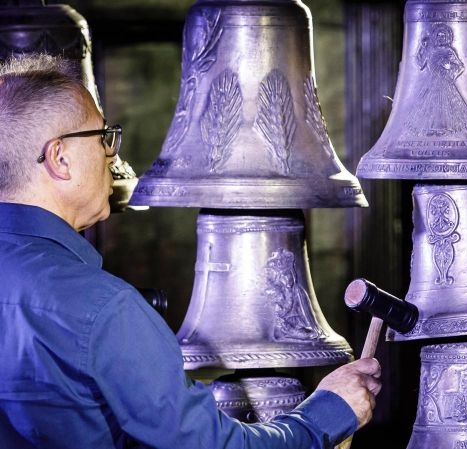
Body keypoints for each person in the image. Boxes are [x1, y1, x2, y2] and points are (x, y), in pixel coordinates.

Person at [0, 53, 381, 449]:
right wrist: (329, 412)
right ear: (60, 158)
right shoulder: (104, 309)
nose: (112, 156)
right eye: (103, 138)